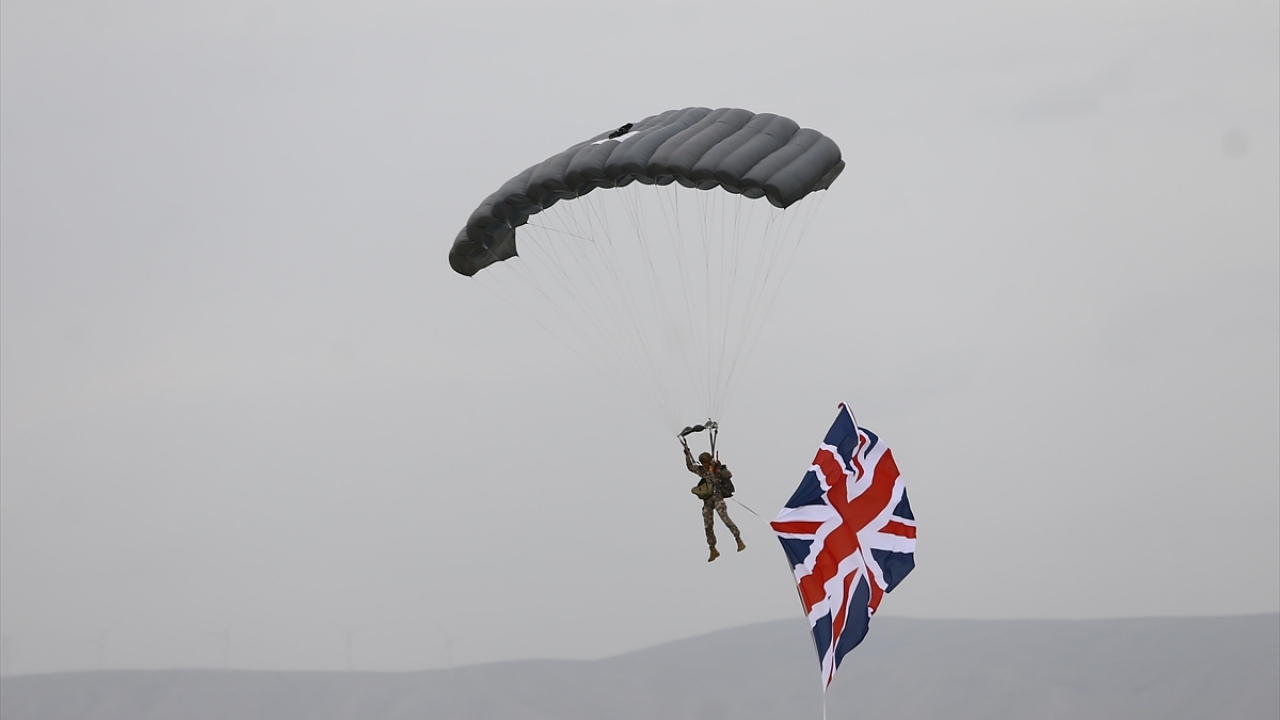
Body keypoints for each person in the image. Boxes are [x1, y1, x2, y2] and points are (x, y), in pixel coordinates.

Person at [683, 440, 745, 562]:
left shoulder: (717, 468)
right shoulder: (702, 471)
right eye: (703, 463)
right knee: (708, 525)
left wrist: (719, 468)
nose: (705, 465)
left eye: (706, 462)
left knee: (725, 519)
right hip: (708, 501)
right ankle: (712, 549)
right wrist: (687, 454)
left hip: (718, 499)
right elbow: (691, 467)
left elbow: (728, 475)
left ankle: (738, 539)